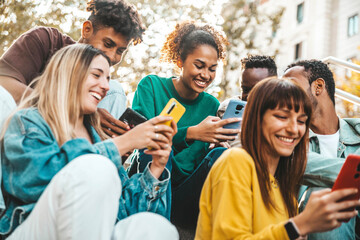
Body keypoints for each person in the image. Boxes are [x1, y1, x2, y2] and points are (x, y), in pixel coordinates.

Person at [0, 44, 179, 239]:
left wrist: (156, 168)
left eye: (108, 78)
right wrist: (123, 143)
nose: (106, 86)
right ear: (69, 73)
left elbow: (124, 212)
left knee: (156, 227)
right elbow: (34, 182)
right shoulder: (28, 121)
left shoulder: (97, 137)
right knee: (96, 167)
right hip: (37, 228)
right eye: (96, 75)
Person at [195, 77, 360, 239]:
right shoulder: (237, 161)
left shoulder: (284, 185)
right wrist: (298, 225)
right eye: (282, 117)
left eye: (301, 121)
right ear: (256, 119)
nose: (294, 129)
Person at [131, 21, 240, 231]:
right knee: (157, 148)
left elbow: (204, 160)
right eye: (199, 66)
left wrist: (218, 144)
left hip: (186, 194)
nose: (205, 75)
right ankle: (151, 225)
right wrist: (193, 133)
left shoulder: (211, 105)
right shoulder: (151, 86)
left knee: (221, 154)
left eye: (212, 69)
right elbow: (141, 136)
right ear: (180, 60)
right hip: (151, 183)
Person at [0, 0, 146, 136]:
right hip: (20, 133)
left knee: (115, 90)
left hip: (70, 148)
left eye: (120, 51)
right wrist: (84, 114)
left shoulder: (105, 88)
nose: (112, 57)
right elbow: (4, 83)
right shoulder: (46, 41)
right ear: (87, 30)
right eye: (107, 44)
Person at [284, 59, 360, 240]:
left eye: (290, 86)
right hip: (317, 221)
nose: (283, 94)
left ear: (318, 86)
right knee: (324, 195)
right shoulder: (288, 139)